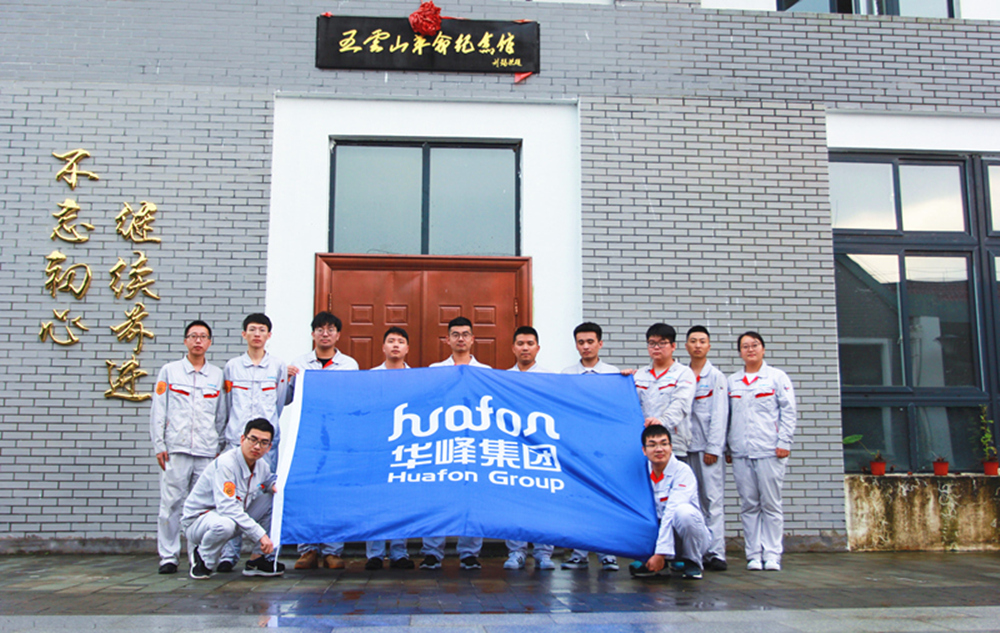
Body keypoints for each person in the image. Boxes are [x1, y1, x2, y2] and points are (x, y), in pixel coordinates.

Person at [149, 320, 227, 574]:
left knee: (202, 507)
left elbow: (221, 415)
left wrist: (219, 446)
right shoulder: (170, 372)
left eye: (203, 337)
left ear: (210, 342)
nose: (198, 341)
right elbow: (159, 409)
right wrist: (159, 444)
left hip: (206, 452)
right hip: (176, 449)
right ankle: (168, 557)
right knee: (170, 504)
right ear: (185, 341)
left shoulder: (216, 375)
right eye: (193, 336)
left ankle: (198, 557)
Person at [217, 313, 289, 572]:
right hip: (236, 443)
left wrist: (267, 437)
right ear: (244, 334)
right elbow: (226, 405)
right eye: (252, 329)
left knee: (267, 496)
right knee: (233, 496)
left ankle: (262, 554)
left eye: (262, 330)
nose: (257, 334)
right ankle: (228, 555)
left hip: (266, 446)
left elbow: (279, 402)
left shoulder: (278, 367)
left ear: (269, 335)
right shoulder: (232, 367)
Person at [287, 312, 359, 570]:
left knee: (334, 492)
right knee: (306, 491)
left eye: (330, 329)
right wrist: (287, 379)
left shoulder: (349, 365)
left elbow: (354, 400)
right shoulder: (299, 364)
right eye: (320, 329)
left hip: (337, 437)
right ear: (313, 334)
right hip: (308, 436)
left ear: (338, 335)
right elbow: (286, 399)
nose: (325, 334)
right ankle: (307, 549)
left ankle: (332, 550)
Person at [422, 316, 491, 570]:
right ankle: (432, 552)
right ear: (447, 339)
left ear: (472, 339)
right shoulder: (435, 370)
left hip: (474, 443)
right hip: (442, 441)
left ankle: (469, 552)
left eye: (465, 334)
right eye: (455, 334)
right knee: (436, 495)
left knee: (473, 496)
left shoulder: (486, 372)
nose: (460, 339)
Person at [727, 331, 796, 572]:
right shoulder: (732, 382)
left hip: (770, 450)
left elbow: (788, 411)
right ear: (740, 352)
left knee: (771, 504)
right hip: (741, 452)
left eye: (754, 345)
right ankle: (754, 554)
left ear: (763, 349)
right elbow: (727, 417)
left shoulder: (777, 377)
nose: (750, 350)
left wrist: (784, 442)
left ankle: (773, 554)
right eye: (745, 346)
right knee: (749, 505)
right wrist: (727, 447)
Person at [182, 418, 284, 579]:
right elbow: (227, 508)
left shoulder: (261, 465)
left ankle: (257, 560)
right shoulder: (226, 464)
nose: (257, 446)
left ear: (269, 447)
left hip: (230, 519)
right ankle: (203, 559)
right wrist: (260, 535)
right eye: (253, 440)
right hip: (200, 521)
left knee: (273, 501)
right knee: (225, 524)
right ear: (242, 439)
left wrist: (274, 486)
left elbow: (268, 480)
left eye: (263, 443)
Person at [560, 322, 620, 572]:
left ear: (600, 344)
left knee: (606, 499)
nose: (585, 346)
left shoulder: (613, 374)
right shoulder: (566, 375)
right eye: (581, 342)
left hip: (604, 449)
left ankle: (608, 554)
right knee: (579, 500)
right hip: (576, 448)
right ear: (576, 345)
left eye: (590, 342)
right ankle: (579, 553)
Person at [503, 326, 556, 571]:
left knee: (543, 499)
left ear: (538, 348)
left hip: (541, 447)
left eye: (530, 343)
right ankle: (516, 551)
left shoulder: (550, 378)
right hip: (512, 447)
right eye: (520, 343)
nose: (525, 348)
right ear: (513, 348)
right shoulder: (502, 379)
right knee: (514, 499)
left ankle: (544, 553)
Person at [629, 425, 711, 580]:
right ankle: (651, 559)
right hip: (658, 533)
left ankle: (691, 561)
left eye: (664, 444)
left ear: (671, 447)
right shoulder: (641, 473)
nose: (659, 449)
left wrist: (660, 552)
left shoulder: (683, 471)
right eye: (652, 445)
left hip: (685, 536)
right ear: (644, 450)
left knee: (684, 513)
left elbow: (671, 511)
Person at [365, 327, 416, 571]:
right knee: (375, 497)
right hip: (377, 445)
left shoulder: (418, 378)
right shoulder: (370, 377)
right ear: (383, 347)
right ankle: (374, 553)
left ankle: (399, 551)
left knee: (402, 499)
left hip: (406, 444)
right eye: (391, 341)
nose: (396, 345)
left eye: (400, 341)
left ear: (407, 348)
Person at [685, 326, 729, 572]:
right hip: (685, 447)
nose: (698, 345)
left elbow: (720, 414)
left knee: (712, 500)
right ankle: (695, 552)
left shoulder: (716, 377)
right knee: (690, 501)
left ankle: (716, 552)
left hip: (707, 450)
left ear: (709, 346)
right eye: (693, 341)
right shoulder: (681, 374)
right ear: (686, 346)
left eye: (702, 341)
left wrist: (714, 447)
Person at [631, 323, 696, 461]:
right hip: (645, 446)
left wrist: (661, 422)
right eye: (652, 343)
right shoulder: (639, 375)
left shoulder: (684, 373)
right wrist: (623, 379)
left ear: (673, 346)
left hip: (673, 444)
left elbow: (681, 405)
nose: (656, 347)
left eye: (662, 343)